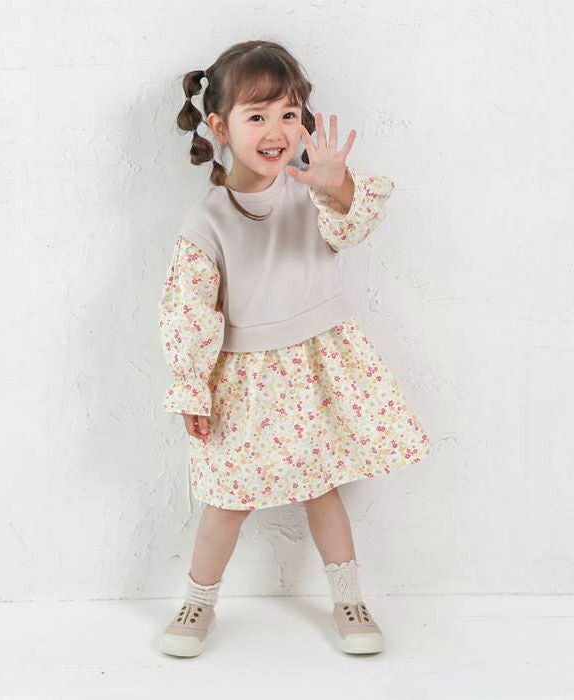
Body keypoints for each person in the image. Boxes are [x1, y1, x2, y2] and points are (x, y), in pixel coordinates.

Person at [157, 39, 431, 658]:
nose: (276, 130)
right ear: (219, 127)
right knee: (226, 500)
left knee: (322, 485)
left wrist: (338, 187)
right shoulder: (207, 221)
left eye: (288, 113)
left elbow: (351, 227)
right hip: (246, 382)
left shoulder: (312, 191)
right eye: (257, 116)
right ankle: (198, 600)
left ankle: (349, 600)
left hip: (316, 367)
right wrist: (192, 386)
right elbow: (188, 311)